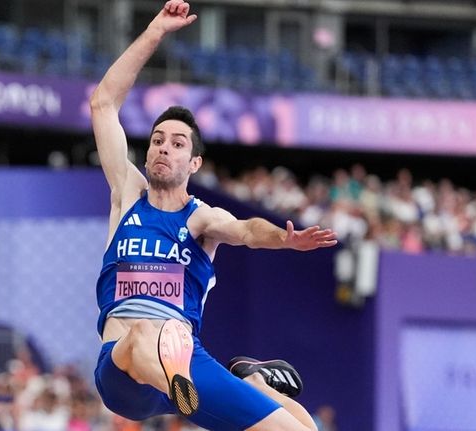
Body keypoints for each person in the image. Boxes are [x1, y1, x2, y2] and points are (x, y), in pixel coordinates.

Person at [90, 2, 337, 430]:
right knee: (146, 334)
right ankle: (182, 380)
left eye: (177, 144)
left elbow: (246, 230)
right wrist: (155, 31)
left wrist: (283, 237)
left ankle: (254, 382)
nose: (163, 148)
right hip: (124, 372)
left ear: (196, 163)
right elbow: (103, 104)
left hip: (187, 362)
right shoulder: (127, 194)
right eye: (157, 140)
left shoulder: (201, 220)